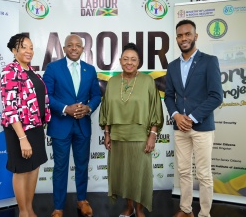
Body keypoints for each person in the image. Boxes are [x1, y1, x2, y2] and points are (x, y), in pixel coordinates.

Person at [164, 19, 223, 217]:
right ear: (177, 39)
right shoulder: (172, 66)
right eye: (180, 35)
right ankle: (186, 209)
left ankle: (204, 214)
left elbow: (216, 96)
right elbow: (168, 96)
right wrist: (176, 115)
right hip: (180, 128)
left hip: (202, 127)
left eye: (188, 34)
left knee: (204, 175)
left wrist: (191, 117)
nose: (184, 38)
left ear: (195, 36)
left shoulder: (209, 61)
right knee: (183, 172)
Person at [99, 42, 164, 217]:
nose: (129, 62)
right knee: (123, 175)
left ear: (139, 62)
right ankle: (129, 207)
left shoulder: (147, 81)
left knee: (139, 175)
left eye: (133, 59)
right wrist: (107, 133)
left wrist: (152, 135)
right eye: (126, 59)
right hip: (117, 136)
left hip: (140, 136)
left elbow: (155, 109)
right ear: (120, 61)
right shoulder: (112, 82)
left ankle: (140, 209)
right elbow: (106, 110)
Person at [43, 34, 101, 217]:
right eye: (70, 45)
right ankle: (58, 207)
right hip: (61, 125)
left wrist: (88, 107)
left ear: (83, 49)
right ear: (64, 48)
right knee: (60, 167)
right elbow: (47, 96)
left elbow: (97, 96)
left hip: (82, 125)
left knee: (82, 165)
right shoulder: (52, 68)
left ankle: (82, 200)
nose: (74, 48)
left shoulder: (90, 70)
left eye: (78, 45)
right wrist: (65, 108)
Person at [0, 33, 51, 217]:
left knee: (34, 167)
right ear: (14, 51)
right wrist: (22, 138)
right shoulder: (10, 71)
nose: (29, 51)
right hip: (18, 130)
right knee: (21, 170)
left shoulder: (32, 71)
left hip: (35, 127)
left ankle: (29, 209)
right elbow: (10, 108)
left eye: (31, 47)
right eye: (23, 47)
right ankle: (23, 212)